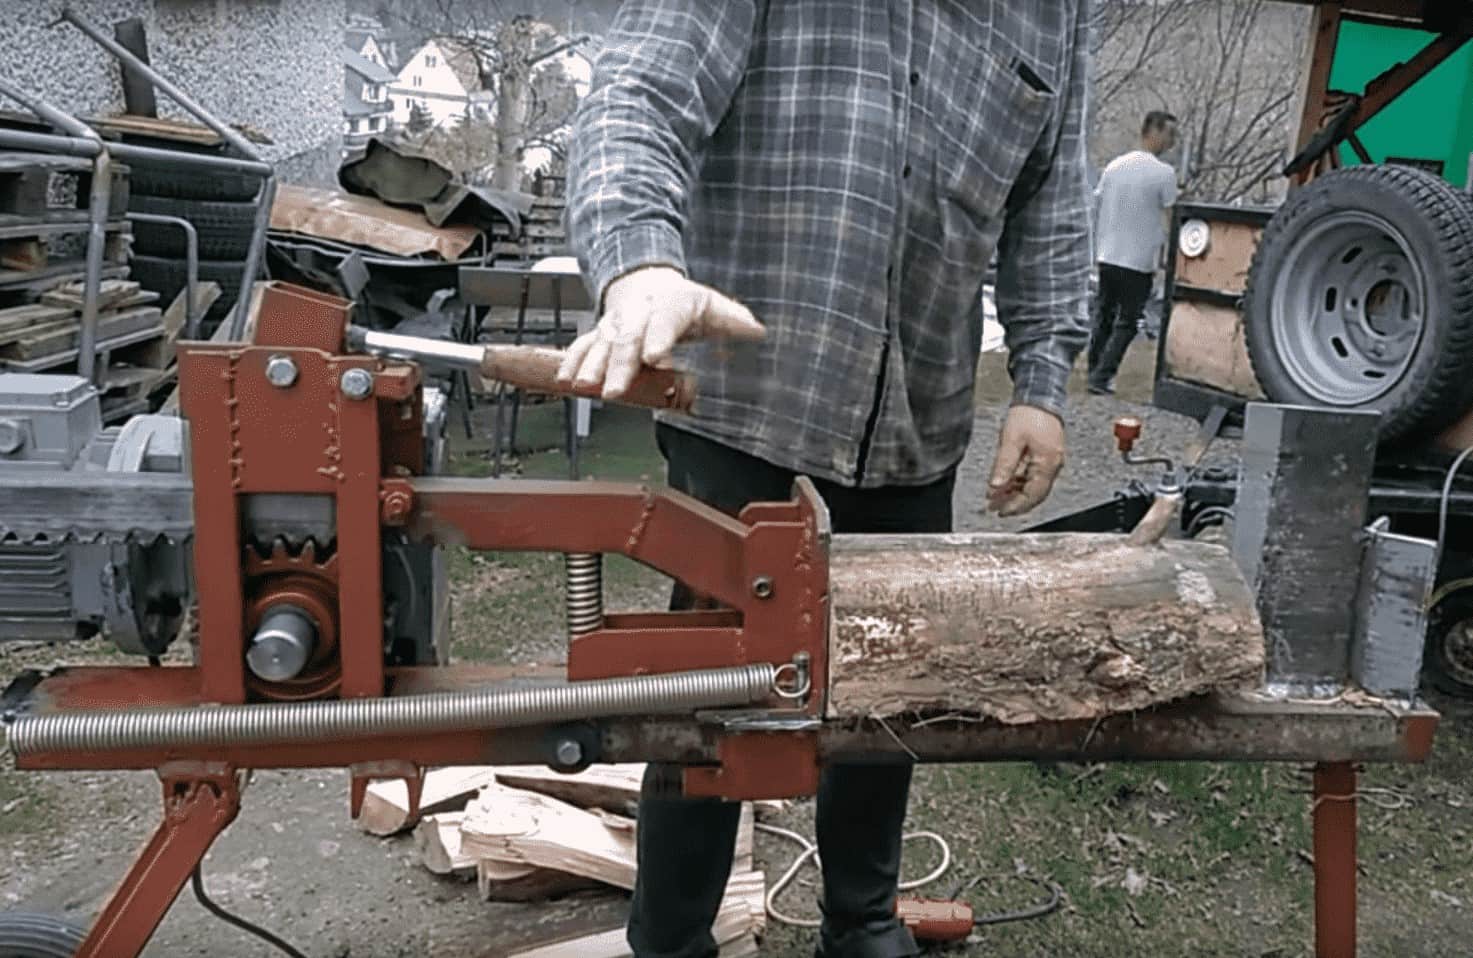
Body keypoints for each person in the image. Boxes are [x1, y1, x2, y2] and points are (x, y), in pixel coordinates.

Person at [559, 4, 1092, 956]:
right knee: (706, 695)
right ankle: (672, 940)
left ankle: (860, 924)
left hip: (915, 424)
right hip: (749, 407)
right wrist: (639, 258)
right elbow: (640, 91)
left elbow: (1050, 200)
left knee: (884, 689)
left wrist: (1042, 381)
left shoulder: (1053, 11)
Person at [1087, 110, 1180, 395]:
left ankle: (1094, 368)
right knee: (1128, 321)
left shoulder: (1115, 166)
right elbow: (1170, 215)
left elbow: (1099, 203)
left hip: (1108, 253)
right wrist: (1168, 252)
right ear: (1153, 131)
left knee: (1104, 314)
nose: (1172, 141)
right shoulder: (1164, 174)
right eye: (1169, 134)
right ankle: (1102, 375)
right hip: (1138, 259)